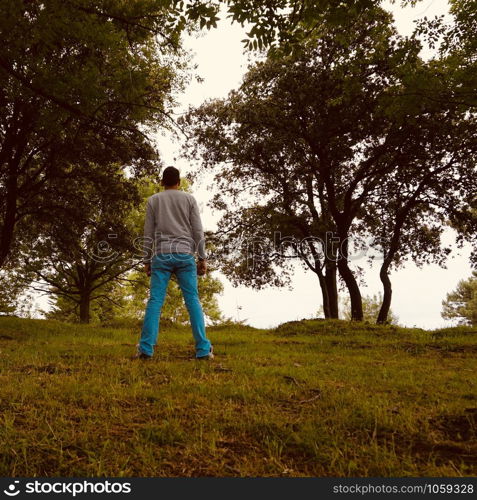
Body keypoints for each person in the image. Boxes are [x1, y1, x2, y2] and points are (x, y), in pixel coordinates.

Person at [134, 166, 214, 360]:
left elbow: (148, 233)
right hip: (185, 255)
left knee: (155, 301)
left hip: (161, 255)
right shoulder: (189, 199)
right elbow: (197, 231)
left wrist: (146, 260)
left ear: (162, 182)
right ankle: (203, 350)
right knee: (192, 301)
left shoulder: (153, 201)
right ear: (179, 182)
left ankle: (146, 349)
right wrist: (202, 258)